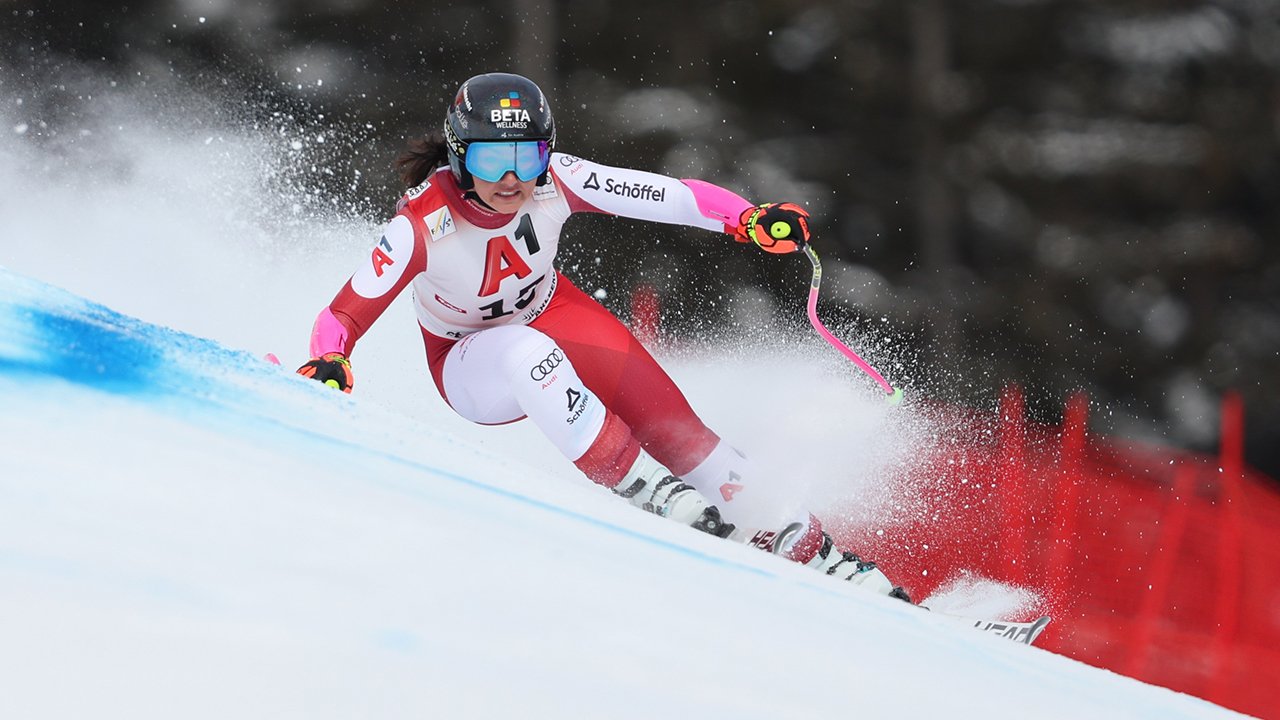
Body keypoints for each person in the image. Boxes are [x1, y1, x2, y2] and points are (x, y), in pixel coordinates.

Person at [297, 72, 910, 602]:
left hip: (552, 310)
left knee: (676, 425)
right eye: (490, 161)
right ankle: (642, 488)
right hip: (468, 361)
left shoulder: (553, 181)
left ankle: (810, 547)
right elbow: (345, 313)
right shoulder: (422, 223)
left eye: (529, 156)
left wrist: (746, 219)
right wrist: (328, 360)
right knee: (525, 352)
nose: (512, 179)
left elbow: (666, 195)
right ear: (458, 157)